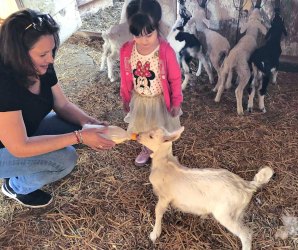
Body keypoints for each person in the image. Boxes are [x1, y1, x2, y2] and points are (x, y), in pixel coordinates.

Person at [0, 9, 115, 208]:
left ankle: (24, 172)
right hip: (7, 147)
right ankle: (15, 186)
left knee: (71, 123)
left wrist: (89, 123)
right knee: (65, 158)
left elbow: (62, 104)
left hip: (25, 131)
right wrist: (79, 136)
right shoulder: (4, 83)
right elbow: (20, 146)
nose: (51, 59)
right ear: (19, 54)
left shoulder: (40, 65)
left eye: (52, 50)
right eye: (43, 54)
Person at [120, 0, 183, 167]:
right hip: (140, 99)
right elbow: (125, 77)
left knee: (160, 127)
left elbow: (175, 78)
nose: (144, 40)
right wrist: (125, 98)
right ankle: (146, 149)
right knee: (143, 127)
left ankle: (163, 152)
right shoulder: (127, 50)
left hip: (160, 100)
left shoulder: (165, 51)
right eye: (137, 35)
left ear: (157, 26)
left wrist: (176, 100)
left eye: (149, 34)